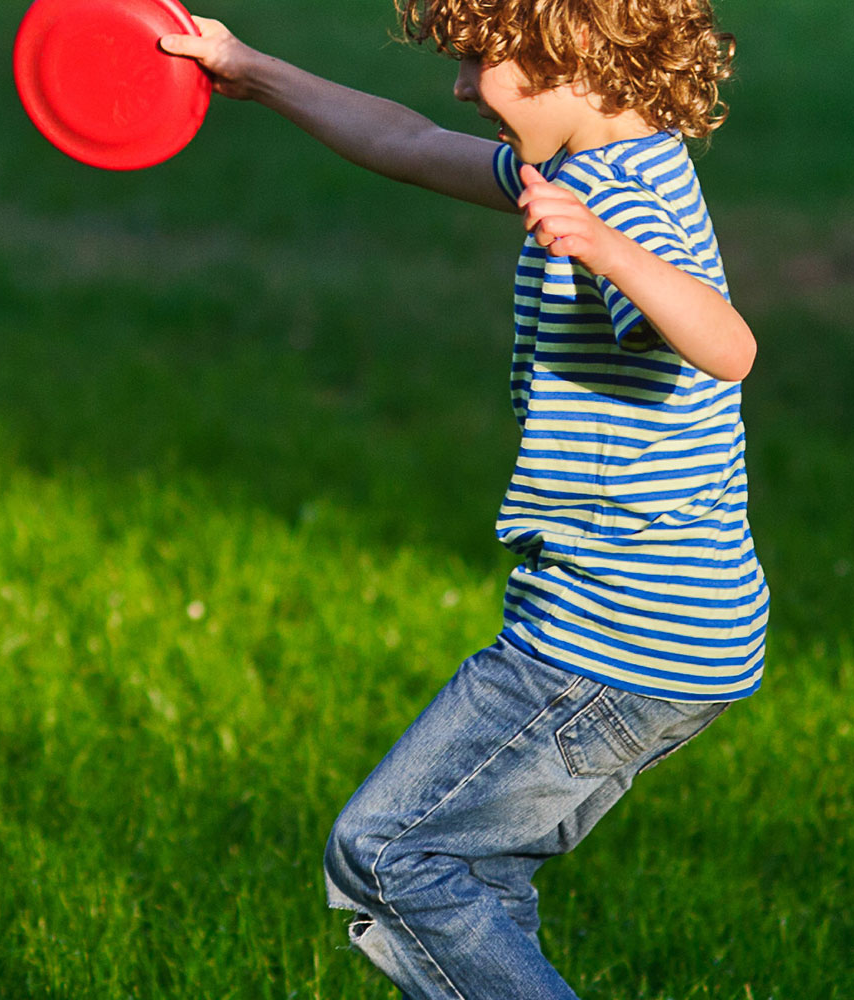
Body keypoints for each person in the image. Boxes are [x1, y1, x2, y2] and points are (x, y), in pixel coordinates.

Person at [160, 1, 765, 996]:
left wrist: (610, 251)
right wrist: (251, 70)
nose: (457, 85)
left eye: (479, 60)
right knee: (470, 873)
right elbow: (403, 141)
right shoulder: (593, 165)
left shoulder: (621, 207)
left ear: (570, 50)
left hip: (611, 638)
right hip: (672, 627)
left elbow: (730, 345)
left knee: (390, 856)